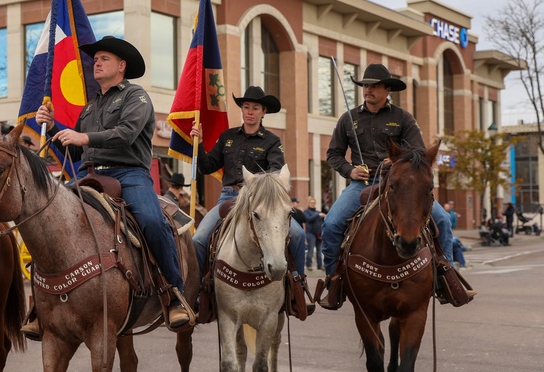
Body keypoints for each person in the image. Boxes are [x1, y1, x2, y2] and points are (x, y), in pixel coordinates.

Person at [34, 36, 195, 330]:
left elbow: (126, 133)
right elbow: (76, 151)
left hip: (128, 173)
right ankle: (40, 303)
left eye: (104, 59)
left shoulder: (137, 97)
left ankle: (174, 294)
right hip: (89, 174)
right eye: (95, 59)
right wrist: (55, 126)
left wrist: (83, 136)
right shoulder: (89, 107)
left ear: (121, 67)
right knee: (49, 215)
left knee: (152, 221)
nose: (96, 62)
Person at [318, 63, 456, 308]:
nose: (368, 90)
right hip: (362, 186)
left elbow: (417, 153)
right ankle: (335, 280)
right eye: (365, 86)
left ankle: (445, 278)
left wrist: (396, 160)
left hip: (400, 187)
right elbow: (334, 154)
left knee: (443, 220)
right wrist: (350, 170)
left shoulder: (403, 118)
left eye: (374, 86)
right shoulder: (348, 119)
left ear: (387, 90)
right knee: (331, 224)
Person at [190, 86, 306, 281]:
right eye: (246, 107)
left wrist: (257, 185)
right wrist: (200, 143)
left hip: (260, 201)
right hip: (228, 198)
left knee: (297, 234)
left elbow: (276, 172)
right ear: (242, 109)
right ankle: (199, 288)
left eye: (255, 108)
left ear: (264, 112)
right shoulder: (228, 137)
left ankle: (297, 283)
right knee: (198, 239)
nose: (250, 112)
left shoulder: (272, 141)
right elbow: (206, 167)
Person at [303, 197, 325, 272]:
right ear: (308, 203)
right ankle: (309, 265)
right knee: (310, 250)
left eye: (314, 203)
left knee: (319, 250)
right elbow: (308, 219)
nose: (313, 204)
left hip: (319, 234)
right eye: (311, 203)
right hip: (310, 234)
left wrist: (324, 217)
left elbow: (323, 221)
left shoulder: (318, 212)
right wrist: (318, 215)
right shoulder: (306, 212)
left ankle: (320, 265)